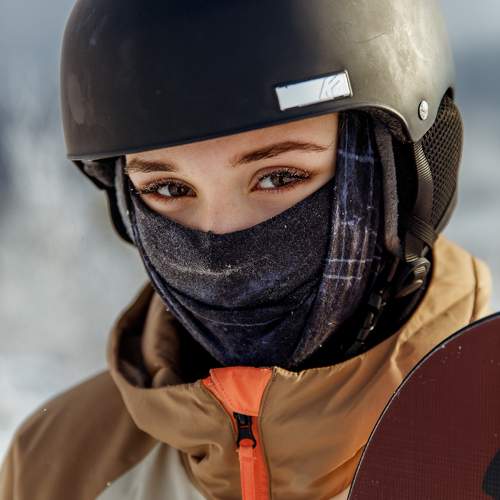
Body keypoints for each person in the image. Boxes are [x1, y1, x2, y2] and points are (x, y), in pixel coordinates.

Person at [0, 1, 493, 499]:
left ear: (403, 180)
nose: (221, 253)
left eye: (278, 177)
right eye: (169, 188)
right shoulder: (56, 468)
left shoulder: (484, 441)